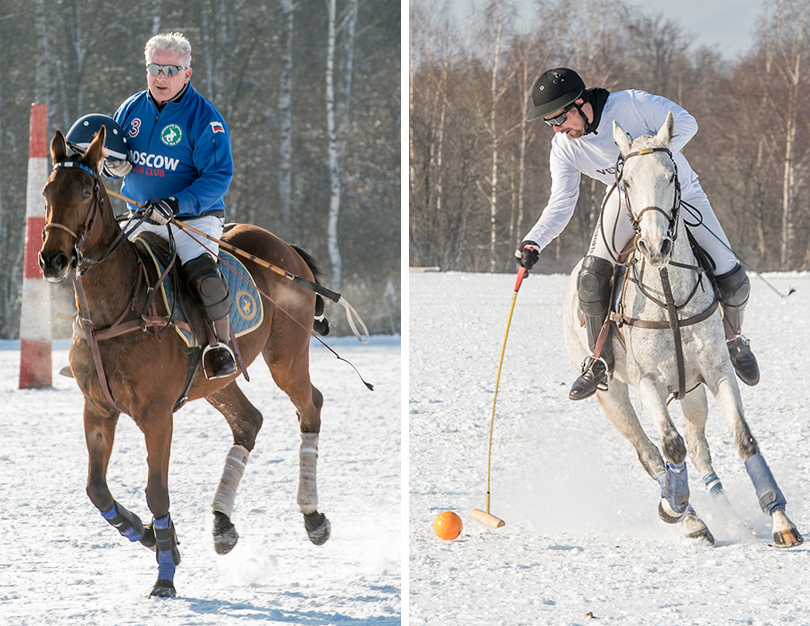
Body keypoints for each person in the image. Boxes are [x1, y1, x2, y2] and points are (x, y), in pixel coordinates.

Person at [514, 68, 758, 401]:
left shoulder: (632, 103)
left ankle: (734, 339)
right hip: (625, 200)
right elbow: (561, 202)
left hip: (678, 191)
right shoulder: (565, 148)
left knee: (732, 276)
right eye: (550, 123)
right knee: (590, 278)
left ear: (581, 103)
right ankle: (599, 360)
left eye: (559, 119)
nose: (558, 129)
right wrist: (534, 240)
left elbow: (686, 122)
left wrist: (651, 158)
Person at [108, 32, 236, 379]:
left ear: (187, 73)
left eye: (170, 69)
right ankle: (89, 344)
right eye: (155, 68)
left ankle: (218, 348)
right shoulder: (130, 109)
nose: (161, 77)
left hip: (191, 219)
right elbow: (113, 155)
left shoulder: (204, 119)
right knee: (98, 264)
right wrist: (112, 166)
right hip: (139, 214)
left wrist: (177, 203)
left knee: (203, 277)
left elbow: (219, 176)